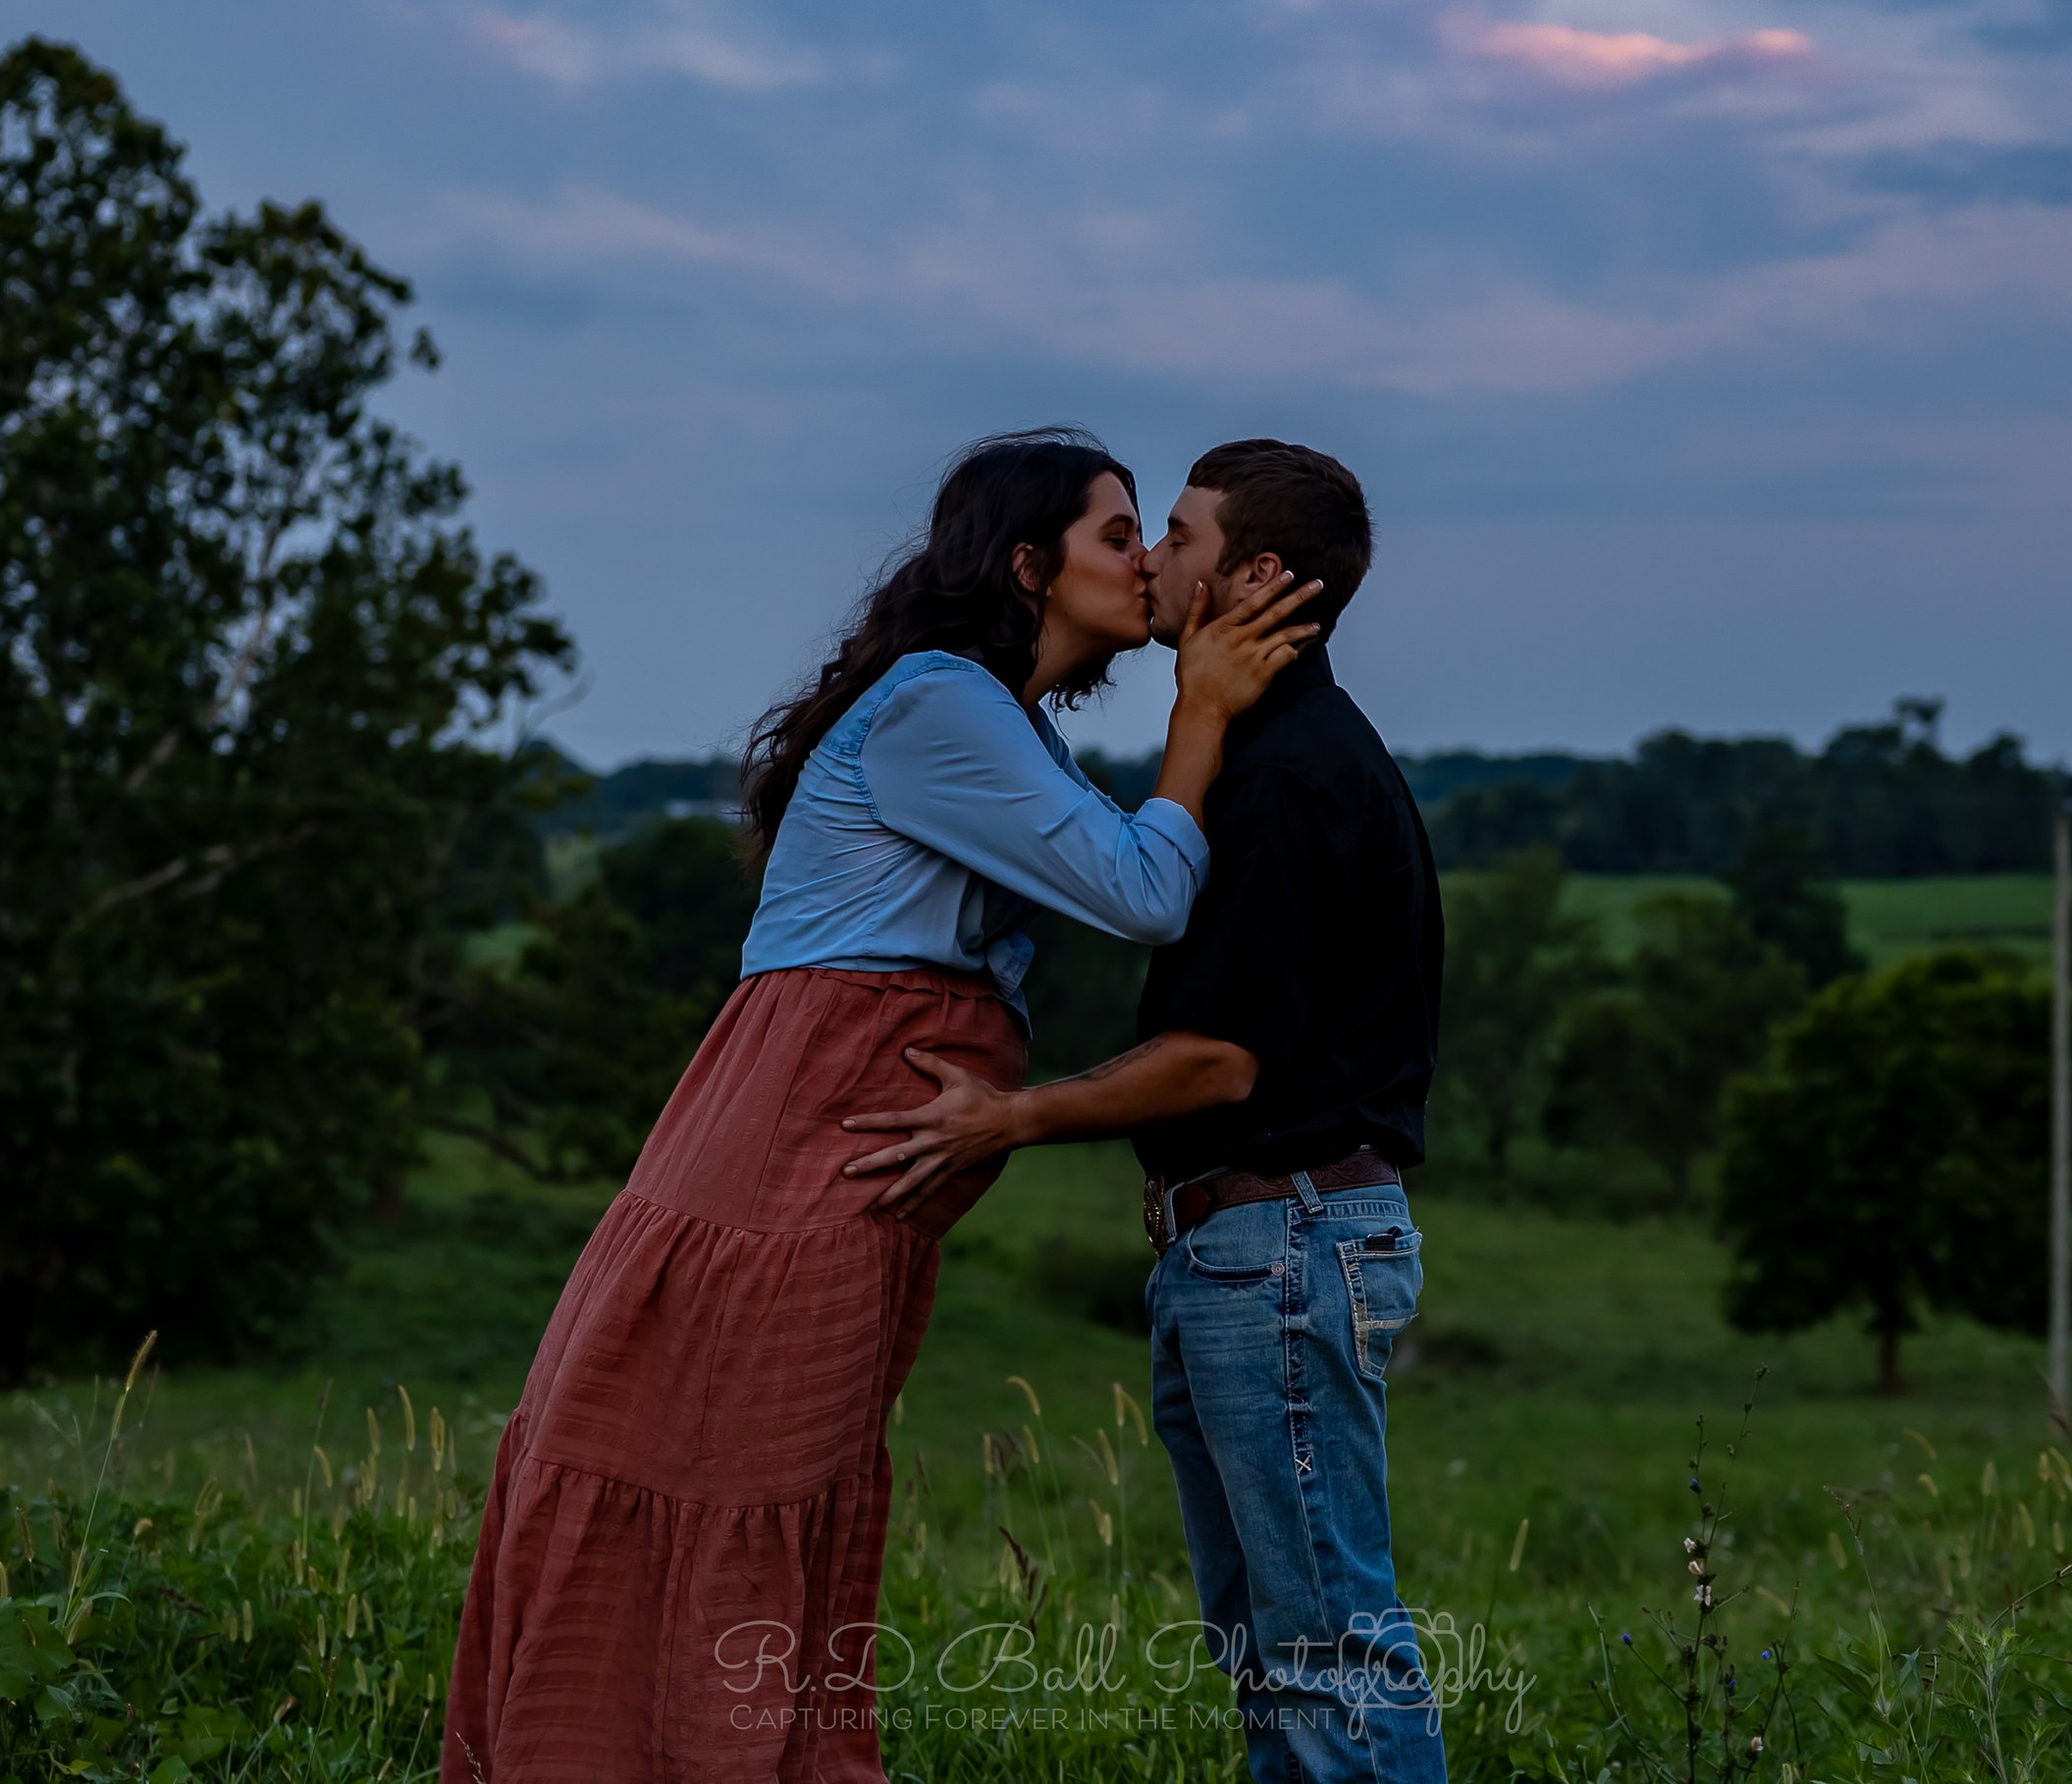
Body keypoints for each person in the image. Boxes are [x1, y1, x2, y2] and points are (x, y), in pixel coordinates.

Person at [440, 428, 1323, 1784]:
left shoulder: (1002, 723)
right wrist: (1197, 714)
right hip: (793, 1141)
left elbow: (1126, 871)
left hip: (835, 1149)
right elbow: (1146, 892)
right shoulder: (936, 703)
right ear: (1028, 567)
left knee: (796, 1470)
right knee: (736, 1461)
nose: (1144, 562)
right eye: (1113, 534)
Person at [846, 440, 1448, 1783]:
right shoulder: (1259, 753)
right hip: (1251, 1244)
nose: (1154, 560)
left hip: (1279, 1235)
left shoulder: (1286, 777)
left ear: (1260, 575)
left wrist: (1010, 1118)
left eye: (1177, 535)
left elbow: (1216, 1061)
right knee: (1274, 1645)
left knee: (1325, 1647)